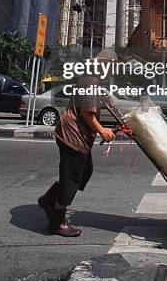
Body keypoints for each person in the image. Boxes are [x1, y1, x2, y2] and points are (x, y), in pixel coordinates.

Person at [38, 71, 116, 237]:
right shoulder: (91, 81)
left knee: (85, 171)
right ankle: (57, 223)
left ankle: (48, 199)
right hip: (73, 136)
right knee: (72, 177)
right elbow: (87, 113)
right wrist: (103, 132)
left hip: (76, 135)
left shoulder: (94, 82)